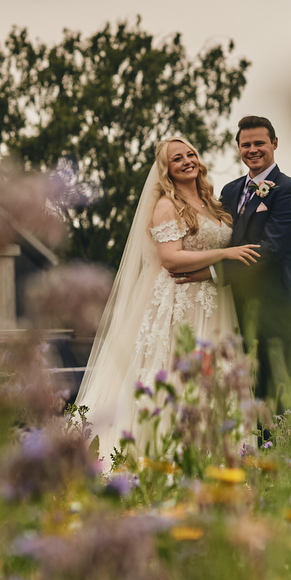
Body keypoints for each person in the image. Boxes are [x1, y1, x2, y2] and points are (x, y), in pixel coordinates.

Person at [75, 138, 259, 454]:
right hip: (182, 300)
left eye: (191, 154)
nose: (187, 161)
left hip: (215, 301)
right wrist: (225, 254)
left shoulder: (212, 202)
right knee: (180, 371)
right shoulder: (166, 206)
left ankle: (219, 451)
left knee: (217, 373)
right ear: (167, 170)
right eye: (178, 159)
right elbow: (171, 259)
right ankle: (165, 450)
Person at [176, 115, 291, 407]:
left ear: (274, 143)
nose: (253, 150)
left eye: (260, 143)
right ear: (238, 148)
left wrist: (210, 271)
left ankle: (282, 453)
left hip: (276, 309)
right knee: (241, 391)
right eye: (246, 144)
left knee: (277, 394)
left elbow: (270, 250)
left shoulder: (289, 191)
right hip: (232, 309)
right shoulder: (230, 191)